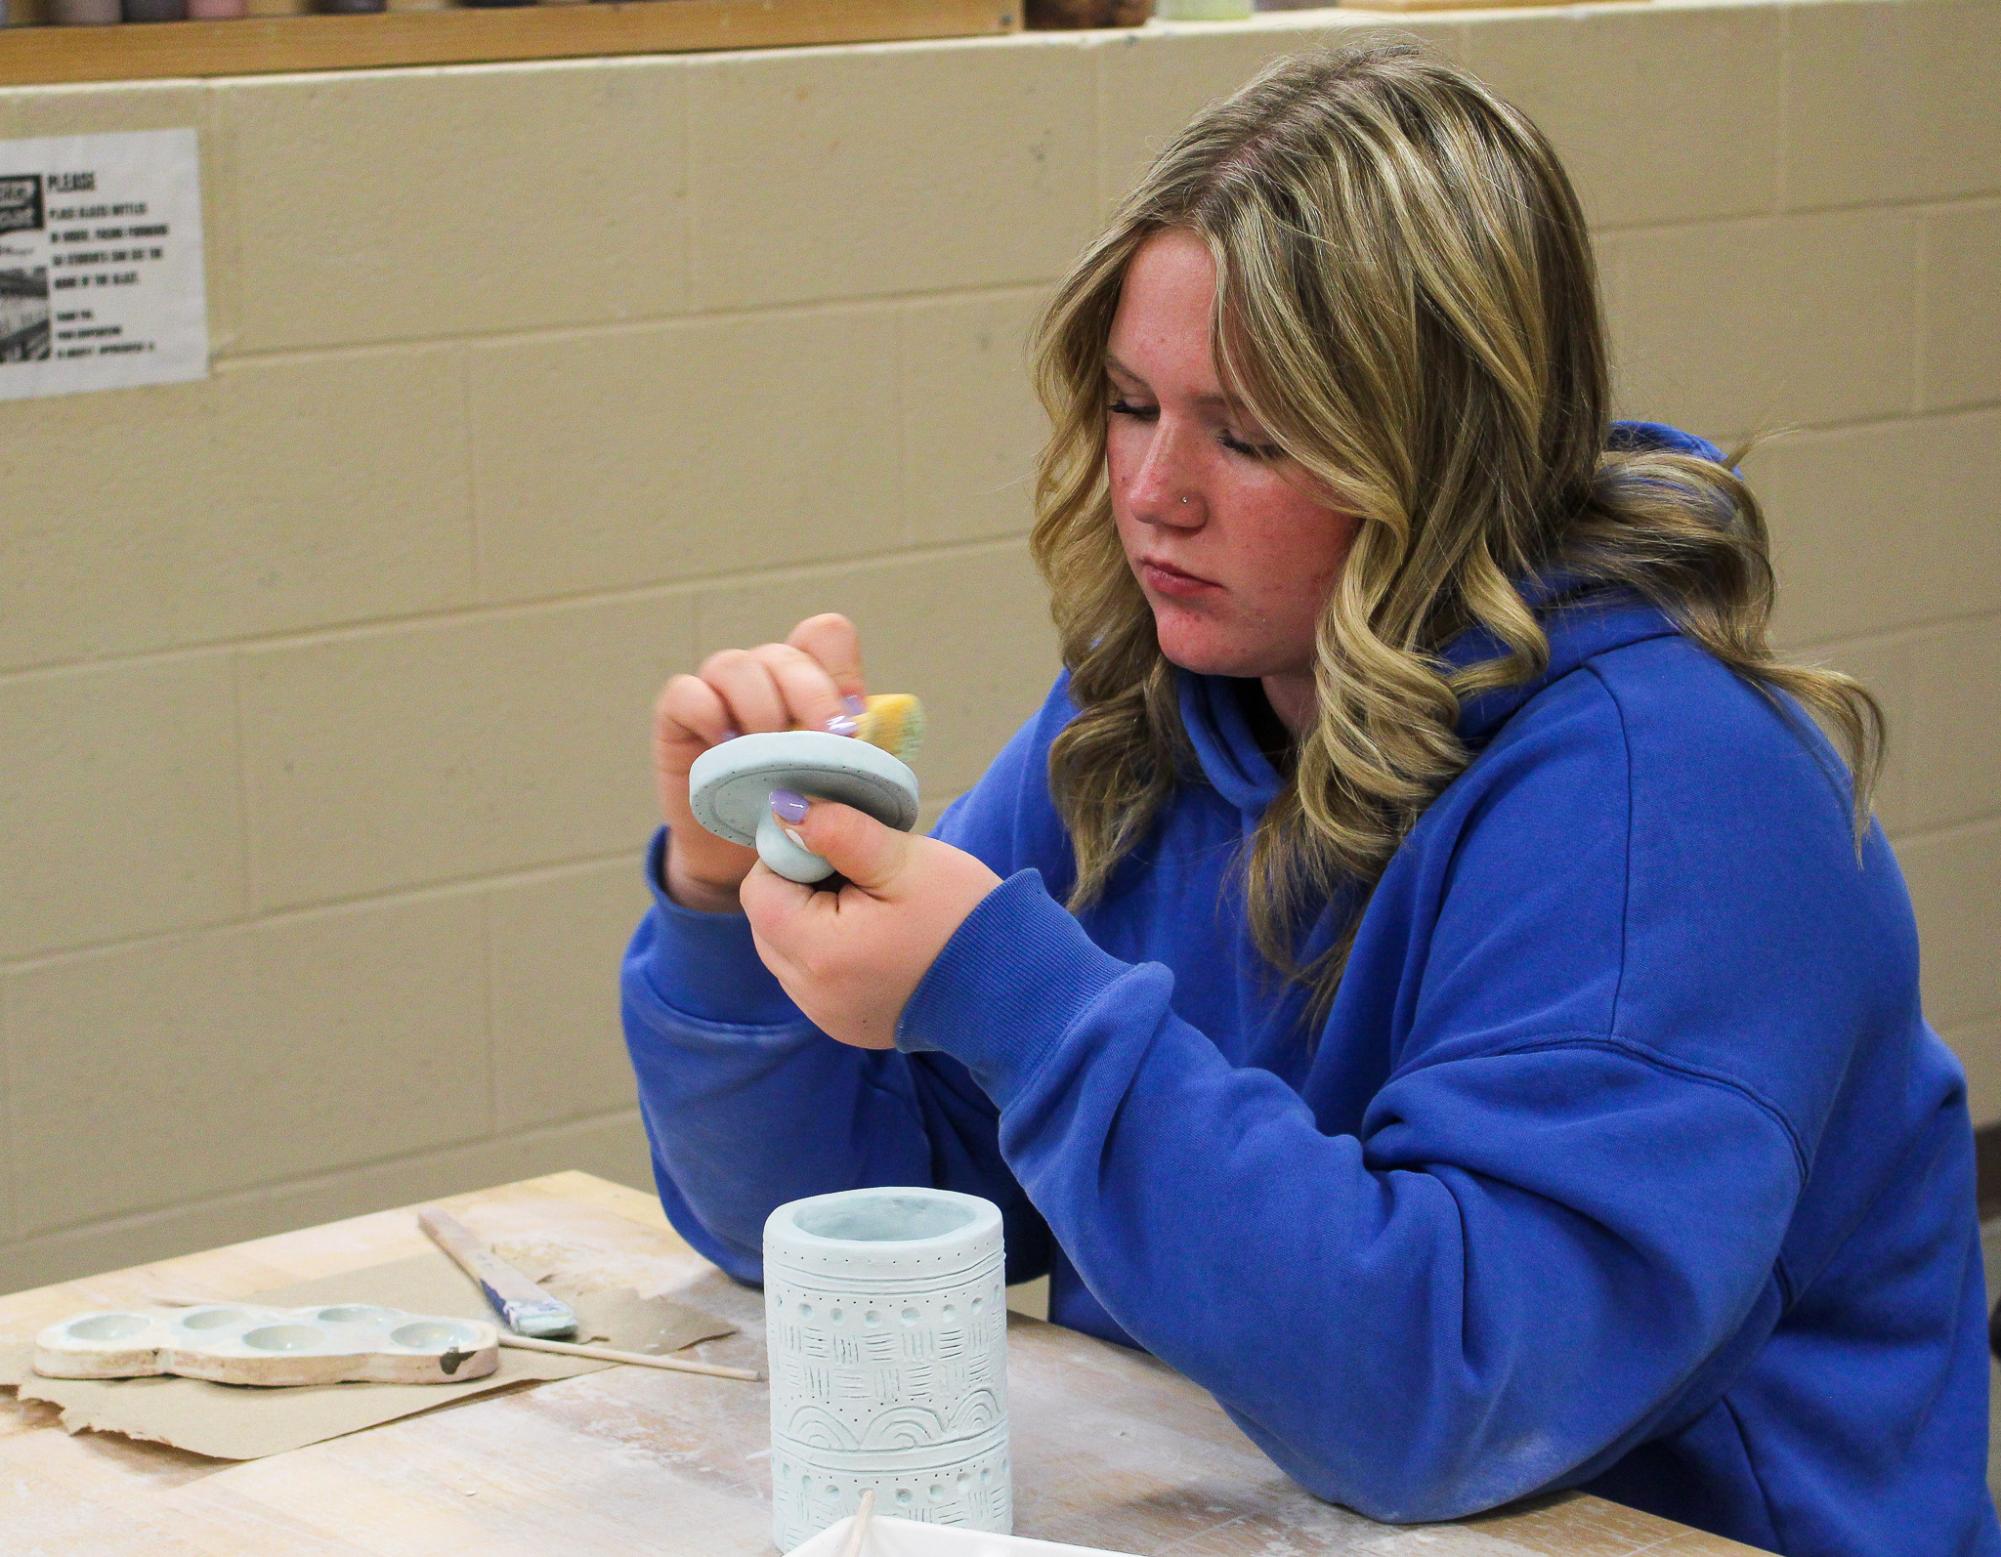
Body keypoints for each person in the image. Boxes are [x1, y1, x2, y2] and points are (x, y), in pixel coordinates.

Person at [620, 36, 2001, 1557]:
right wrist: (723, 890)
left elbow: (1456, 1395)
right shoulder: (1149, 714)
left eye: (1251, 433)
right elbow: (829, 1220)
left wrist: (1014, 998)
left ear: (1444, 448)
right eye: (1133, 404)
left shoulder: (1675, 799)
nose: (1154, 490)